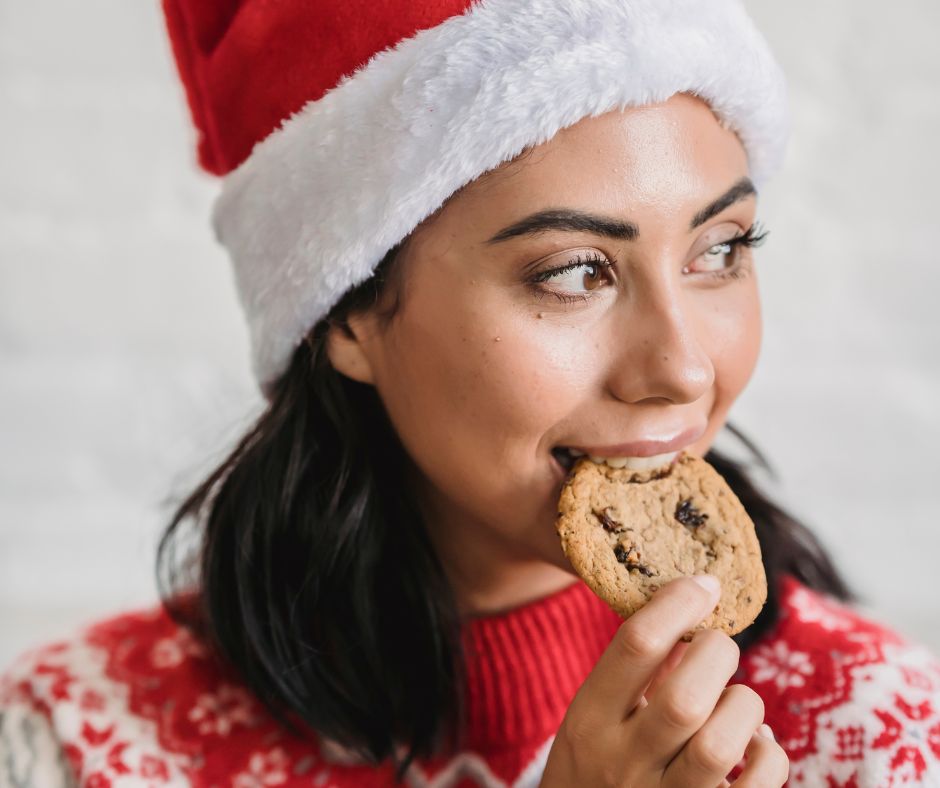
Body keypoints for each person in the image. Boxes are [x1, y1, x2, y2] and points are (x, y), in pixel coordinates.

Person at [2, 0, 939, 786]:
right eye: (574, 273)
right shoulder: (78, 741)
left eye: (721, 249)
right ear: (348, 315)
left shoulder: (883, 734)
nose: (684, 369)